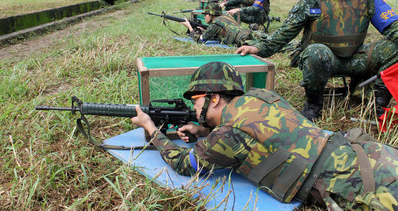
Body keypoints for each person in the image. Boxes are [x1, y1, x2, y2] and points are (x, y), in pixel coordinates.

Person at [131, 61, 398, 210]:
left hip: (355, 188)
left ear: (213, 99)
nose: (194, 108)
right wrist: (203, 130)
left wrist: (151, 128)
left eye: (197, 100)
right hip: (370, 154)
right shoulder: (264, 96)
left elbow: (183, 165)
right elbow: (262, 130)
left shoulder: (227, 136)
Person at [236, 0, 398, 121]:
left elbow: (393, 26)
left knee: (393, 48)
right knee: (316, 52)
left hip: (355, 58)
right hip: (322, 60)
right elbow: (285, 32)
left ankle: (377, 101)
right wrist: (259, 48)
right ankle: (313, 105)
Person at [180, 3, 265, 47]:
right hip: (250, 33)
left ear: (211, 14)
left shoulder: (215, 24)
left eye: (205, 14)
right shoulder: (226, 16)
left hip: (245, 41)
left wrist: (189, 27)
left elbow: (199, 41)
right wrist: (204, 31)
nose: (204, 16)